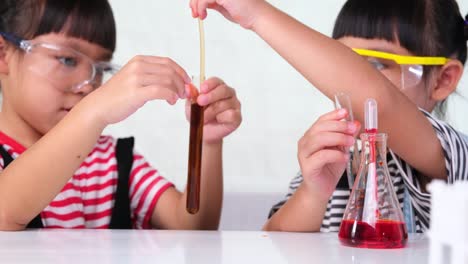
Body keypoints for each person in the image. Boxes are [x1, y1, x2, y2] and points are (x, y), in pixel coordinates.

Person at [190, 0, 468, 233]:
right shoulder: (332, 160)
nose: (344, 83)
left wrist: (257, 15)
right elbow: (275, 244)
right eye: (341, 61)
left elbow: (379, 102)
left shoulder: (453, 156)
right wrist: (313, 193)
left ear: (443, 80)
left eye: (374, 65)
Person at [0, 0, 242, 230]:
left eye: (100, 69)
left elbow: (192, 226)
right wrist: (93, 110)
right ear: (3, 54)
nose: (89, 85)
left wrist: (206, 140)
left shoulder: (111, 160)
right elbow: (5, 212)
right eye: (67, 59)